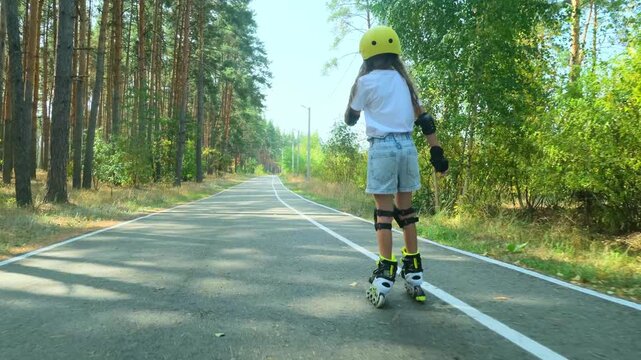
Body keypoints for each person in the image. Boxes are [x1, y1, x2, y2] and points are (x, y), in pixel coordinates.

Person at [344, 26, 449, 308]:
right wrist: (436, 151)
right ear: (395, 53)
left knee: (384, 213)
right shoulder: (404, 82)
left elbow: (350, 118)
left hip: (383, 148)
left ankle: (385, 273)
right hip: (407, 148)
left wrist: (356, 106)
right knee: (407, 212)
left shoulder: (364, 83)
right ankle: (414, 274)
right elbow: (424, 119)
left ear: (367, 55)